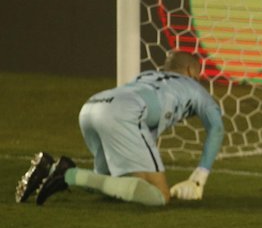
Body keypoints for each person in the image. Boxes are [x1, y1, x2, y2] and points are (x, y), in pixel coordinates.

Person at [16, 50, 223, 207]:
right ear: (190, 71)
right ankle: (68, 174)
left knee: (116, 184)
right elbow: (216, 128)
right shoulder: (195, 88)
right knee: (159, 195)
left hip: (92, 107)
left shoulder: (147, 76)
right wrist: (199, 178)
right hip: (123, 113)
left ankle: (50, 167)